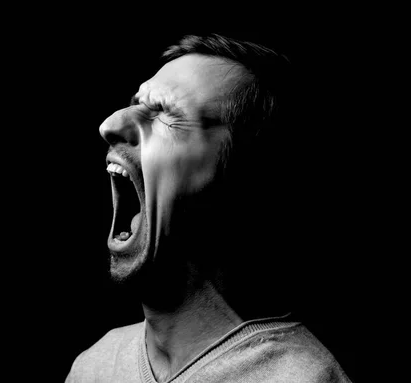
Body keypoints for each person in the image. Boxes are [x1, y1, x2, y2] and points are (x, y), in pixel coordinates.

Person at [65, 34, 351, 383]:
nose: (109, 125)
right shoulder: (93, 366)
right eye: (135, 104)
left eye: (164, 113)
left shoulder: (303, 378)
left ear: (246, 176)